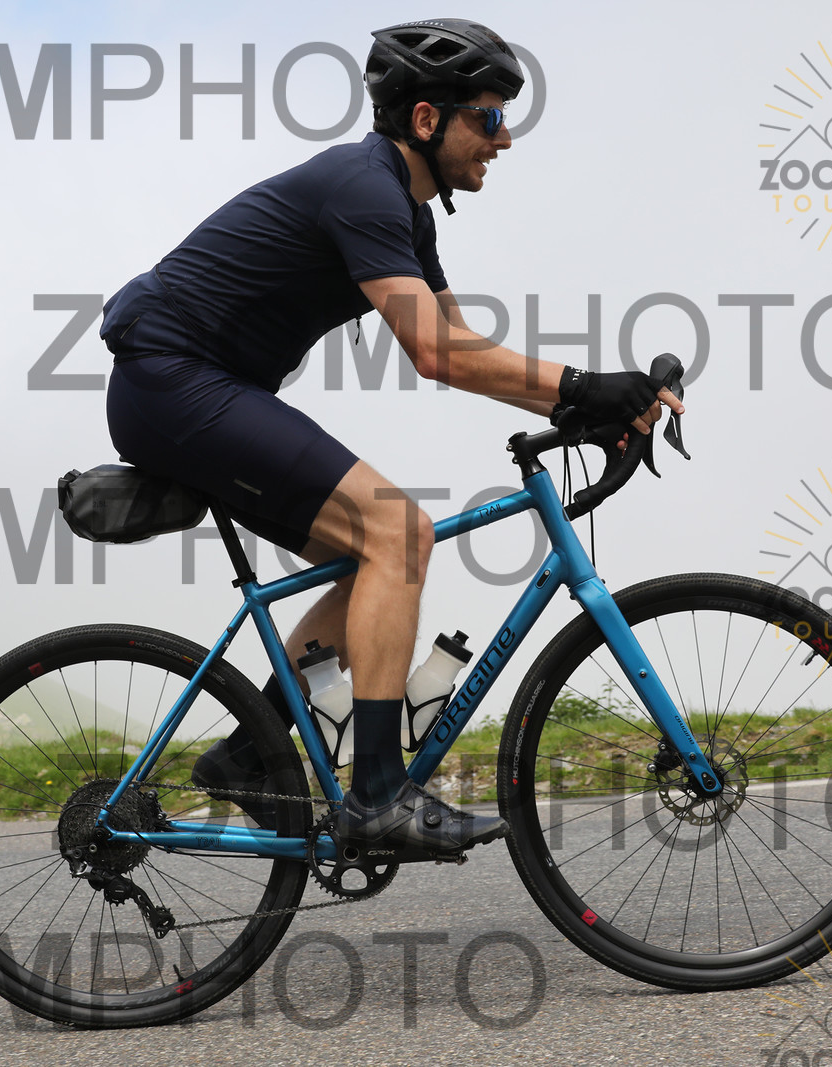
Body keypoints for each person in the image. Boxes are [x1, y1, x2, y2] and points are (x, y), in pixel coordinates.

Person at [100, 19, 683, 855]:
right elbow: (435, 350)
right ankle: (376, 796)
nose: (504, 139)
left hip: (199, 386)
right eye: (489, 117)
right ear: (425, 119)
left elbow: (459, 345)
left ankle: (246, 754)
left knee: (377, 554)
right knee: (396, 531)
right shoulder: (363, 187)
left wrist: (581, 407)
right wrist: (583, 387)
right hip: (172, 379)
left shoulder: (409, 216)